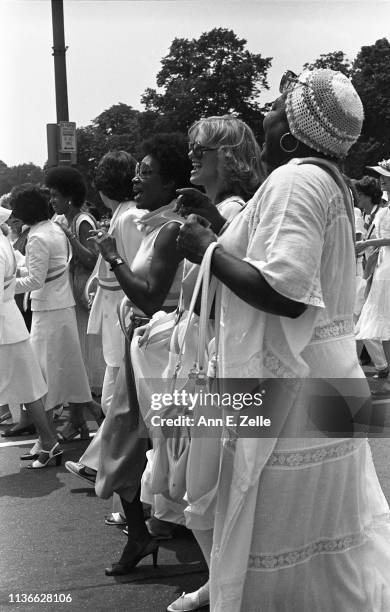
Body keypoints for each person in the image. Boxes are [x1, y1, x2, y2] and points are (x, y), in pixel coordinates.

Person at [174, 69, 390, 611]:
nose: (263, 115)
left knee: (283, 528)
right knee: (334, 530)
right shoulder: (327, 180)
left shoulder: (296, 179)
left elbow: (286, 293)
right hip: (330, 374)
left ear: (290, 138)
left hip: (298, 386)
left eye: (276, 110)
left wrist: (206, 248)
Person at [142, 115, 261, 611]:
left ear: (229, 155)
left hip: (216, 359)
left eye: (202, 151)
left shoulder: (237, 209)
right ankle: (221, 580)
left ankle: (227, 583)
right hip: (205, 355)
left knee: (205, 480)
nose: (192, 157)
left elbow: (238, 284)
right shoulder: (223, 209)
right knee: (199, 478)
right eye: (191, 150)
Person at [92, 133, 192, 575]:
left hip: (159, 354)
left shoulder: (170, 230)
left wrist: (112, 258)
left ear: (170, 182)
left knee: (129, 444)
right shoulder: (155, 224)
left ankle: (145, 533)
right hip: (145, 350)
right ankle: (142, 533)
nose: (136, 179)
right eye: (136, 171)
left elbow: (152, 299)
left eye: (146, 173)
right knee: (134, 445)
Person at [64, 150, 145, 525]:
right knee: (117, 399)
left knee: (118, 401)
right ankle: (102, 469)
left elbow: (128, 267)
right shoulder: (122, 214)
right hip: (116, 313)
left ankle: (100, 466)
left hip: (122, 315)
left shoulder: (127, 216)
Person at [10, 184, 95, 455]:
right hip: (60, 307)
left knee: (42, 377)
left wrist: (5, 284)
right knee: (67, 374)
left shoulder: (37, 236)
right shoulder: (53, 229)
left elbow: (34, 279)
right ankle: (86, 422)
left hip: (48, 311)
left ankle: (46, 442)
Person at [0, 204, 61, 468]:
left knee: (30, 389)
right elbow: (21, 267)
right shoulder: (3, 241)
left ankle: (50, 442)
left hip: (5, 327)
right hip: (9, 323)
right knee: (30, 389)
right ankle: (50, 442)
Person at [44, 166, 104, 435]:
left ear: (69, 197)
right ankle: (78, 419)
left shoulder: (82, 221)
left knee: (80, 360)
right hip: (73, 297)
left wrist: (68, 237)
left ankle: (88, 416)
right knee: (75, 359)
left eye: (55, 195)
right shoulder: (67, 219)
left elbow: (92, 259)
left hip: (83, 299)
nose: (52, 201)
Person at [355, 164, 390, 385]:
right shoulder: (385, 210)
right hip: (381, 267)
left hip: (386, 267)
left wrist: (367, 242)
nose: (381, 180)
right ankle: (383, 366)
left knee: (380, 319)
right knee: (379, 321)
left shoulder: (385, 211)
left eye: (385, 176)